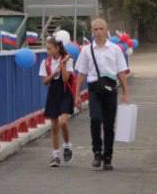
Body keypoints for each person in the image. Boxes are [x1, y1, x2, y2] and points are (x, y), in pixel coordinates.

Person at [74, 17, 130, 170]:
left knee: (109, 124)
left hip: (110, 89)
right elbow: (81, 73)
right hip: (94, 89)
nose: (98, 32)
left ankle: (108, 157)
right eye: (95, 29)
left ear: (106, 30)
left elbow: (121, 71)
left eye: (101, 29)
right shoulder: (86, 50)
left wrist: (125, 92)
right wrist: (77, 94)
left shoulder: (115, 49)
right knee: (95, 119)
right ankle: (97, 152)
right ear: (92, 32)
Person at [40, 36, 76, 167]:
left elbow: (66, 79)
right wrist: (53, 74)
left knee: (63, 121)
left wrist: (63, 65)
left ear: (57, 48)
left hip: (65, 92)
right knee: (54, 125)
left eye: (49, 48)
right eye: (47, 48)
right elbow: (44, 82)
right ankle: (55, 155)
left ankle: (67, 145)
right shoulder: (45, 62)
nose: (47, 51)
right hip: (53, 92)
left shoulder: (67, 60)